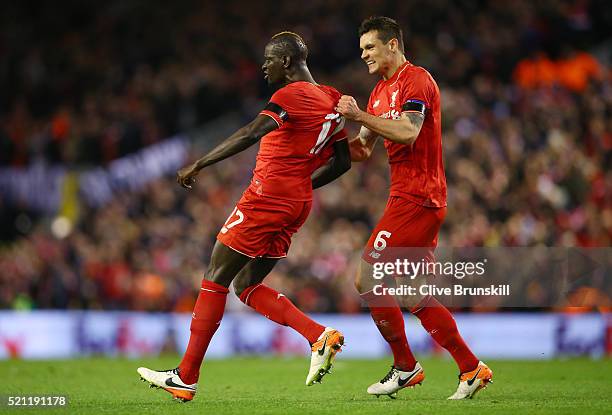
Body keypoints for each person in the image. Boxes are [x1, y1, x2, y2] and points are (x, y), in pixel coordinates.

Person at [137, 31, 350, 402]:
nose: (263, 66)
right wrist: (299, 186)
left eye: (269, 59)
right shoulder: (334, 100)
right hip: (298, 202)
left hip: (267, 197)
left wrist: (200, 162)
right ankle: (318, 336)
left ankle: (185, 377)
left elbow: (254, 131)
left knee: (215, 277)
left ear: (286, 61)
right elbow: (342, 162)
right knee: (246, 285)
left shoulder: (289, 95)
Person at [335, 16, 493, 400]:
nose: (364, 55)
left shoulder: (416, 79)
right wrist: (326, 141)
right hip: (406, 197)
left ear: (392, 45)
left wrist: (358, 116)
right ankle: (471, 368)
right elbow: (362, 148)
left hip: (419, 197)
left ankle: (406, 366)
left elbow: (408, 131)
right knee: (410, 292)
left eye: (369, 47)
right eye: (361, 50)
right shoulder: (377, 93)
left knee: (367, 279)